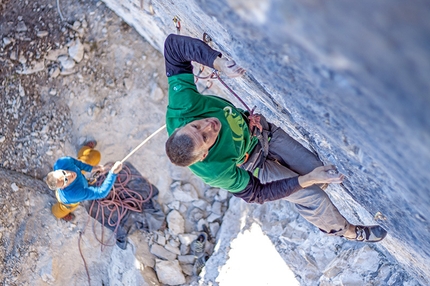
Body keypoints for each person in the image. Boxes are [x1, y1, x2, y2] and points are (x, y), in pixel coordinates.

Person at [164, 34, 387, 242]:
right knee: (314, 195)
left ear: (182, 125)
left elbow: (173, 47)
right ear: (204, 154)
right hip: (254, 166)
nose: (208, 126)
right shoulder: (215, 171)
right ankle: (346, 231)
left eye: (196, 125)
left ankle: (307, 190)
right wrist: (304, 181)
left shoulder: (182, 108)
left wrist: (217, 62)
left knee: (319, 171)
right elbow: (257, 193)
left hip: (263, 133)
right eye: (206, 137)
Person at [45, 140, 123, 221]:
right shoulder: (75, 194)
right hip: (69, 200)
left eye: (64, 172)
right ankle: (60, 214)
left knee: (95, 156)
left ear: (59, 170)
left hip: (79, 178)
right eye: (65, 180)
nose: (69, 174)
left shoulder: (61, 163)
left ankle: (85, 150)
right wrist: (113, 173)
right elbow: (101, 193)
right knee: (60, 211)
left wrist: (93, 168)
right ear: (63, 187)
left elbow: (77, 163)